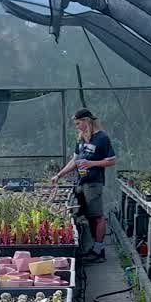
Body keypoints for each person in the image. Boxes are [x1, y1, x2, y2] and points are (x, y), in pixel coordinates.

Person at [52, 108, 116, 262]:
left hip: (94, 183)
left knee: (97, 216)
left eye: (79, 123)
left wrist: (91, 163)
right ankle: (93, 247)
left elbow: (112, 160)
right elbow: (74, 161)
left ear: (87, 121)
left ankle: (99, 251)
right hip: (81, 182)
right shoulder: (81, 139)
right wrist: (59, 174)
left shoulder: (102, 138)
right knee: (88, 216)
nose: (77, 126)